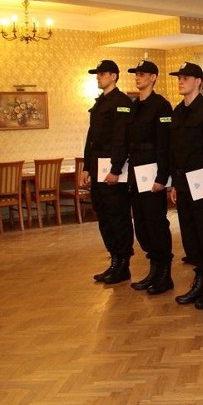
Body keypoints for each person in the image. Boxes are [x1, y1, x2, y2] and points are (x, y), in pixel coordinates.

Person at [169, 62, 203, 310]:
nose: (180, 81)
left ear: (198, 82)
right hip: (183, 184)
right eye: (179, 78)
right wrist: (173, 183)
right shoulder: (178, 111)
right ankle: (199, 280)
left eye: (185, 78)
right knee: (191, 238)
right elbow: (175, 151)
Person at [123, 60, 175, 295]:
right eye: (136, 74)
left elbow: (165, 145)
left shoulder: (161, 106)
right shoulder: (135, 106)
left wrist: (163, 177)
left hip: (152, 173)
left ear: (153, 77)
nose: (138, 77)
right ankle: (153, 269)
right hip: (135, 173)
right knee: (141, 224)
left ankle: (164, 274)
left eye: (143, 74)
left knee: (155, 223)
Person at [81, 60, 134, 285]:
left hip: (113, 170)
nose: (98, 77)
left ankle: (123, 264)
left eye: (102, 74)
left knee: (117, 216)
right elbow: (91, 137)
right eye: (97, 74)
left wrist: (115, 168)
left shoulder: (121, 102)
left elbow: (121, 138)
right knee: (103, 215)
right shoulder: (100, 102)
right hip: (96, 167)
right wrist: (85, 166)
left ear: (113, 76)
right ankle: (114, 260)